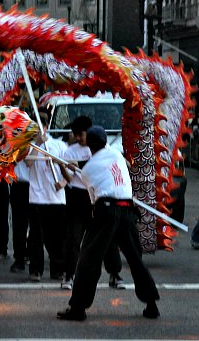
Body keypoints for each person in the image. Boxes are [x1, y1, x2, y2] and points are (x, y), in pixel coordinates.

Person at [57, 125, 160, 321]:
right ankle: (151, 303)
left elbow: (92, 195)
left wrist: (74, 167)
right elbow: (101, 165)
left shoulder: (87, 171)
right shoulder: (117, 155)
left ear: (89, 144)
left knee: (89, 259)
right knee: (135, 259)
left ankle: (78, 308)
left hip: (106, 209)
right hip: (128, 209)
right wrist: (77, 165)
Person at [61, 116, 125, 290]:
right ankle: (69, 275)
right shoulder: (69, 151)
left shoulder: (104, 150)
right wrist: (63, 166)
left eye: (82, 134)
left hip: (98, 198)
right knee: (73, 237)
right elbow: (68, 179)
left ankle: (115, 274)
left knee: (107, 237)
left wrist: (80, 164)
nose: (80, 138)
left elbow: (103, 167)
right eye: (76, 135)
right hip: (78, 197)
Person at [25, 116, 68, 282]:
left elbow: (70, 168)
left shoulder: (59, 145)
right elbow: (28, 163)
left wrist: (63, 182)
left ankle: (58, 269)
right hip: (36, 198)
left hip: (56, 199)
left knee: (57, 237)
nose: (37, 131)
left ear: (46, 126)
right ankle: (36, 270)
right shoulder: (29, 146)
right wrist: (37, 144)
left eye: (39, 127)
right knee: (36, 236)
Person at [9, 159, 30, 272]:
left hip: (38, 185)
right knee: (19, 226)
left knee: (38, 226)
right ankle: (19, 259)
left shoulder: (45, 143)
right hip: (20, 185)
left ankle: (33, 256)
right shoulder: (18, 141)